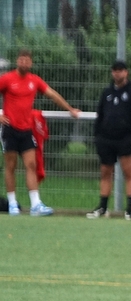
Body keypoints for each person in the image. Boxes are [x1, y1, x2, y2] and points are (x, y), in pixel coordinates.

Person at [0, 49, 80, 216]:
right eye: (21, 59)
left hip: (26, 130)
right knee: (11, 166)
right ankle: (12, 204)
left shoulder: (34, 80)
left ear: (31, 63)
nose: (24, 62)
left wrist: (70, 109)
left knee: (31, 165)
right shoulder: (7, 79)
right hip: (10, 129)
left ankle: (36, 204)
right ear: (17, 61)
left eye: (27, 60)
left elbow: (52, 94)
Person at [88, 60, 131, 219]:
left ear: (126, 72)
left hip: (125, 139)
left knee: (129, 172)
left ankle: (130, 208)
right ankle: (102, 207)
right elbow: (100, 114)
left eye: (121, 70)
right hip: (106, 139)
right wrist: (98, 136)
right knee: (105, 172)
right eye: (115, 70)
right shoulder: (107, 92)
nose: (117, 73)